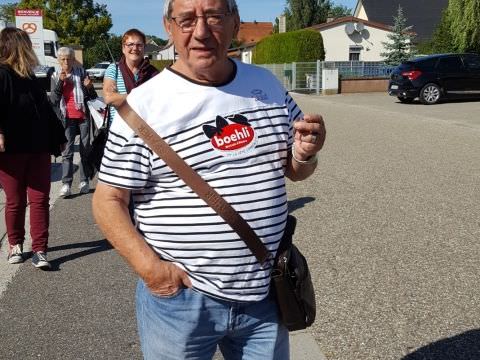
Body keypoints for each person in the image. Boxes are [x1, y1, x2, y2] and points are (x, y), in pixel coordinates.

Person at [92, 0, 326, 358]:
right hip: (181, 303)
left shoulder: (267, 86)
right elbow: (108, 200)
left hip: (264, 294)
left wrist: (305, 153)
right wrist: (151, 270)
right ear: (168, 27)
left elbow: (295, 171)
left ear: (234, 22)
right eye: (186, 19)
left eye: (214, 16)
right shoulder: (143, 105)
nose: (201, 32)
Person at [0, 27, 66, 269]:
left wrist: (59, 134)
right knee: (15, 201)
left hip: (38, 147)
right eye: (26, 44)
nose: (31, 49)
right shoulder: (2, 74)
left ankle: (40, 249)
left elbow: (47, 110)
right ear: (17, 46)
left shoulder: (29, 76)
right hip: (12, 151)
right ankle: (15, 244)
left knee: (39, 200)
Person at [50, 47, 97, 197]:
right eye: (63, 59)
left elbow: (93, 96)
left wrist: (89, 87)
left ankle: (84, 181)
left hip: (82, 115)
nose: (66, 62)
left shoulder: (82, 73)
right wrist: (61, 83)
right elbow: (54, 100)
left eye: (69, 58)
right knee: (67, 152)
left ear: (73, 59)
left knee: (84, 149)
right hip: (66, 117)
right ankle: (66, 184)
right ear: (59, 60)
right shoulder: (55, 75)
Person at [103, 28, 159, 121]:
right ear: (123, 48)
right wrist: (143, 97)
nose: (135, 48)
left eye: (139, 45)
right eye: (130, 44)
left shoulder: (153, 73)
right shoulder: (114, 69)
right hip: (118, 131)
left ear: (144, 48)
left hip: (146, 129)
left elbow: (158, 101)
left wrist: (121, 97)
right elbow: (109, 98)